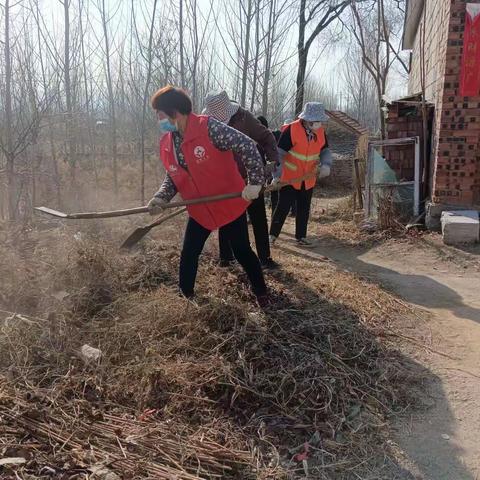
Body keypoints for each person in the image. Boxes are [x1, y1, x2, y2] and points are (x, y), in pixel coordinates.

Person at [147, 86, 268, 303]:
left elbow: (247, 146)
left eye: (161, 115)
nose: (158, 120)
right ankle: (186, 296)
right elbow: (174, 175)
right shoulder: (168, 142)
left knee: (241, 251)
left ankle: (261, 292)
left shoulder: (209, 128)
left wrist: (255, 182)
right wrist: (161, 197)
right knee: (190, 252)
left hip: (228, 202)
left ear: (175, 112)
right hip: (200, 208)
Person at [204, 91, 279, 270]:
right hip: (226, 181)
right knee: (227, 219)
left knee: (258, 218)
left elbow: (267, 137)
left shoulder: (245, 118)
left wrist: (271, 160)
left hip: (251, 178)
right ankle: (227, 258)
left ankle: (264, 258)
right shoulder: (206, 125)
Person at [269, 102, 332, 248]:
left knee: (304, 207)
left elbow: (325, 151)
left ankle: (301, 236)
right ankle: (272, 235)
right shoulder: (291, 130)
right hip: (290, 178)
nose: (317, 124)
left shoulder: (320, 132)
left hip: (308, 178)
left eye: (319, 121)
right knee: (283, 206)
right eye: (314, 121)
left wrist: (326, 165)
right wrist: (277, 175)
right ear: (305, 119)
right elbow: (280, 154)